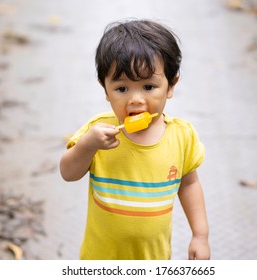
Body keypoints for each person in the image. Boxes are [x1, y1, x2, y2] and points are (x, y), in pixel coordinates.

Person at [60, 19, 210, 260]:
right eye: (122, 89)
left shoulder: (182, 136)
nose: (136, 100)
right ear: (105, 90)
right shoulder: (97, 131)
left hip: (154, 257)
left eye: (149, 86)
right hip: (101, 258)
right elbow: (68, 173)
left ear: (171, 85)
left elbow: (189, 184)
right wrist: (87, 145)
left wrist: (200, 235)